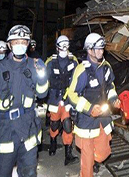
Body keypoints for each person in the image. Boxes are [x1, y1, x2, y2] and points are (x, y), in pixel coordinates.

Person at [0, 25, 49, 177]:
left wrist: (42, 75)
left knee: (29, 173)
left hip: (28, 130)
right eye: (16, 42)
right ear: (9, 44)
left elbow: (43, 94)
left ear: (28, 44)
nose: (20, 45)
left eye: (24, 42)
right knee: (3, 173)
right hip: (5, 132)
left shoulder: (34, 65)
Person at [66, 33, 121, 177]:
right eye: (98, 49)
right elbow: (72, 95)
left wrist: (114, 98)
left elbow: (110, 86)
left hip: (103, 117)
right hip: (86, 120)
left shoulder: (106, 67)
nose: (101, 52)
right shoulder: (81, 70)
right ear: (89, 50)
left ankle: (95, 161)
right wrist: (89, 108)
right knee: (87, 156)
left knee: (103, 153)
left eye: (102, 49)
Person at [45, 35, 79, 165]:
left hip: (67, 99)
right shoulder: (50, 62)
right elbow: (44, 81)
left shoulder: (73, 61)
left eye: (67, 44)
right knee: (54, 124)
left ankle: (68, 154)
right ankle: (53, 142)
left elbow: (78, 79)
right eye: (62, 45)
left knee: (67, 125)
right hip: (54, 98)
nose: (65, 48)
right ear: (57, 47)